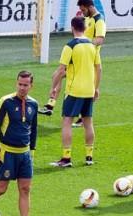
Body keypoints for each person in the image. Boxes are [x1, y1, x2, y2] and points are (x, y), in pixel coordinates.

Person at [0, 70, 41, 216]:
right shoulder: (6, 101)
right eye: (20, 84)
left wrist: (32, 152)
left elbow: (34, 129)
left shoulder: (34, 104)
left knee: (25, 189)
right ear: (16, 83)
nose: (22, 88)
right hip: (7, 153)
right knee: (1, 189)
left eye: (25, 85)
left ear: (31, 86)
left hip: (24, 154)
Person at [47, 17, 101, 167]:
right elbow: (99, 68)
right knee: (88, 122)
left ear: (72, 28)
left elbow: (60, 70)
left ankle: (66, 158)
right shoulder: (92, 45)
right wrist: (96, 87)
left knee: (67, 122)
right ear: (84, 28)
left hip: (74, 91)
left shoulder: (70, 46)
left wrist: (53, 87)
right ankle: (89, 157)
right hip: (89, 90)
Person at [71, 0, 106, 127]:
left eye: (84, 9)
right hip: (83, 56)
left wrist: (85, 43)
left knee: (88, 88)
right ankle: (51, 103)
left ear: (90, 7)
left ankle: (83, 117)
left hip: (91, 58)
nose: (83, 12)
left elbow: (100, 39)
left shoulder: (99, 20)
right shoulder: (88, 19)